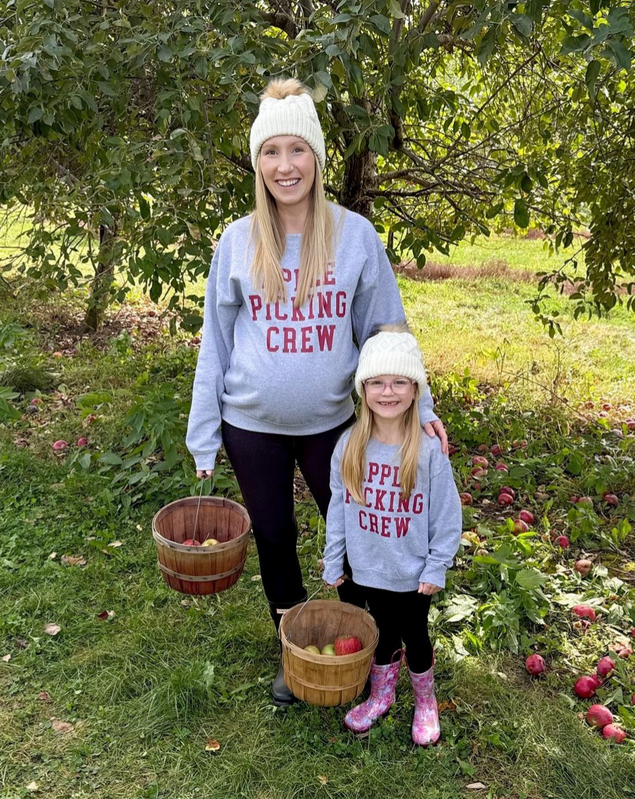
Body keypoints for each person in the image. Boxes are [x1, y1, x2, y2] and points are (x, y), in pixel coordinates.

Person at [185, 77, 447, 706]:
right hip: (252, 424)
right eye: (270, 153)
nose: (284, 166)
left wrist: (424, 407)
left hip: (335, 423)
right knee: (274, 538)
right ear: (257, 163)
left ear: (318, 158)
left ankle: (367, 646)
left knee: (356, 533)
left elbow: (389, 331)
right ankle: (294, 645)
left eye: (296, 151)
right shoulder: (237, 241)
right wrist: (204, 434)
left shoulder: (355, 236)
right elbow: (215, 344)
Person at [323, 325, 461, 746]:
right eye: (378, 382)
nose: (388, 392)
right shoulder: (349, 446)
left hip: (412, 572)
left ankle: (425, 701)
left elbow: (447, 516)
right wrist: (334, 558)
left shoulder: (428, 452)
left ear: (415, 390)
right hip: (366, 568)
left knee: (415, 637)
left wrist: (437, 565)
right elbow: (337, 508)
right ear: (362, 389)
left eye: (400, 381)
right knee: (380, 633)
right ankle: (381, 695)